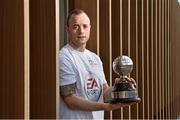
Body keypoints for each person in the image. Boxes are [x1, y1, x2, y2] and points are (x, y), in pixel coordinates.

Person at [59, 9, 138, 119]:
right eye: (76, 26)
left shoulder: (95, 58)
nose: (81, 31)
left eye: (85, 26)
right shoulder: (64, 56)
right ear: (67, 29)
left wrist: (119, 86)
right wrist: (106, 107)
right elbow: (70, 100)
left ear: (90, 28)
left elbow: (104, 93)